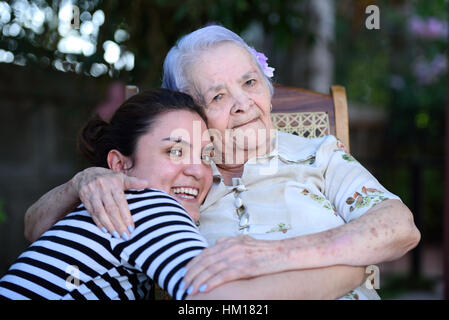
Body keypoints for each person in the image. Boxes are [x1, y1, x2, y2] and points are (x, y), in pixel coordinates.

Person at [23, 25, 421, 299]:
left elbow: (400, 228)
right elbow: (38, 230)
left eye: (250, 83)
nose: (244, 104)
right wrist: (82, 182)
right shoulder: (179, 181)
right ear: (190, 113)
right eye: (217, 97)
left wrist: (277, 255)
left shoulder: (319, 154)